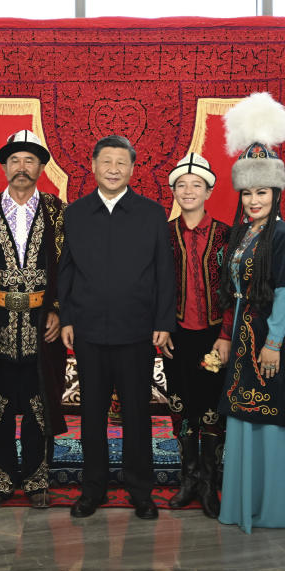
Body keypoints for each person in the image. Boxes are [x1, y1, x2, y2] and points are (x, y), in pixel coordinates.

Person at [211, 92, 285, 534]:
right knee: (241, 412)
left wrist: (276, 342)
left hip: (268, 337)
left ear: (277, 191)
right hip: (240, 335)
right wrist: (225, 333)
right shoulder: (241, 234)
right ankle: (243, 502)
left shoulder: (284, 236)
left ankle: (275, 505)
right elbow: (232, 292)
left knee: (272, 412)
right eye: (249, 192)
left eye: (263, 191)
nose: (255, 200)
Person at [59, 135, 176, 520]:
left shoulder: (151, 213)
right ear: (92, 165)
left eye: (121, 162)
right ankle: (93, 489)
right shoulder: (74, 213)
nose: (113, 168)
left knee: (137, 413)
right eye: (106, 161)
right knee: (91, 413)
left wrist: (163, 321)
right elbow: (67, 270)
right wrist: (67, 318)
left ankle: (141, 490)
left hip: (137, 330)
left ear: (132, 168)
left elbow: (164, 271)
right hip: (89, 330)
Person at [0, 130, 67, 511]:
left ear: (41, 167)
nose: (22, 167)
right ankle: (0, 478)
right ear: (5, 166)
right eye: (15, 160)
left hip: (44, 324)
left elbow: (69, 268)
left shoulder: (59, 212)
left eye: (30, 160)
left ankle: (38, 479)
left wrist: (58, 308)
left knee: (41, 400)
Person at [159, 153, 230, 518]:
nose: (188, 191)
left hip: (214, 338)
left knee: (211, 405)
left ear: (208, 191)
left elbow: (236, 289)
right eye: (181, 186)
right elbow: (152, 286)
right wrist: (158, 327)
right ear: (173, 191)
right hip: (176, 336)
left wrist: (228, 335)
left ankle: (208, 482)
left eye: (196, 185)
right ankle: (187, 477)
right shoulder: (163, 234)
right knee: (181, 402)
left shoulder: (226, 234)